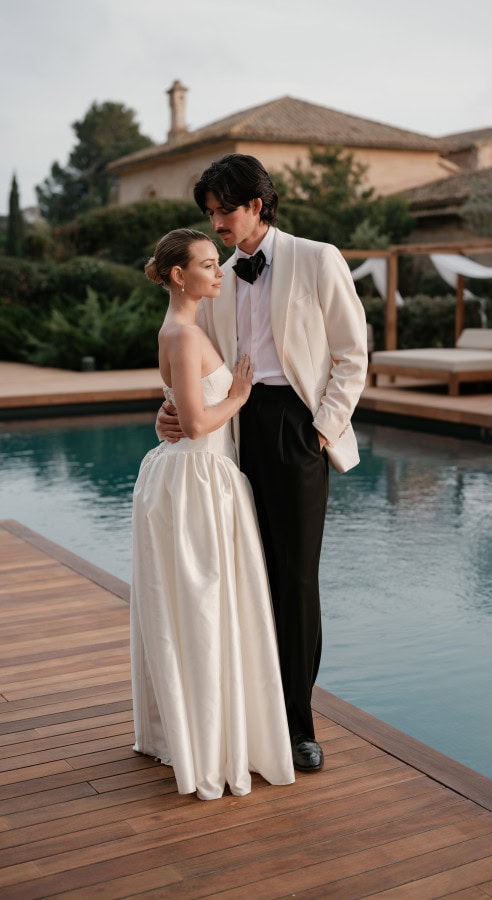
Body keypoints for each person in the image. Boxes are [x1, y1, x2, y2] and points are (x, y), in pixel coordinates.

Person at [158, 155, 369, 772]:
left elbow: (353, 356)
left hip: (296, 429)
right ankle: (254, 715)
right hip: (231, 434)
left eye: (225, 209)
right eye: (210, 213)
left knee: (296, 580)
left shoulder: (317, 257)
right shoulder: (217, 277)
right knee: (246, 576)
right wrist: (168, 413)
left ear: (257, 204)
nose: (217, 223)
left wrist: (322, 431)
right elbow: (198, 363)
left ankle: (299, 724)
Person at [130, 227, 294, 800]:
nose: (219, 270)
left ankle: (211, 727)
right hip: (199, 479)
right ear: (180, 276)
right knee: (202, 609)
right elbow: (198, 423)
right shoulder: (180, 332)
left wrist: (170, 412)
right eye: (207, 264)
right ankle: (207, 738)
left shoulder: (189, 327)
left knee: (204, 608)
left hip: (199, 474)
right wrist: (241, 397)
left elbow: (180, 405)